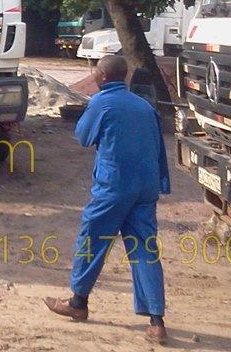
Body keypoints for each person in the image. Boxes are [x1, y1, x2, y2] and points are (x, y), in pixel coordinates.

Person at [43, 55, 171, 345]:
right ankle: (156, 322)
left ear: (101, 76)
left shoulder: (102, 103)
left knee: (93, 240)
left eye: (96, 73)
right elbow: (158, 149)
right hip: (146, 187)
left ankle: (78, 303)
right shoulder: (145, 106)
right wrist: (160, 183)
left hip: (114, 187)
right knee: (144, 248)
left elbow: (84, 137)